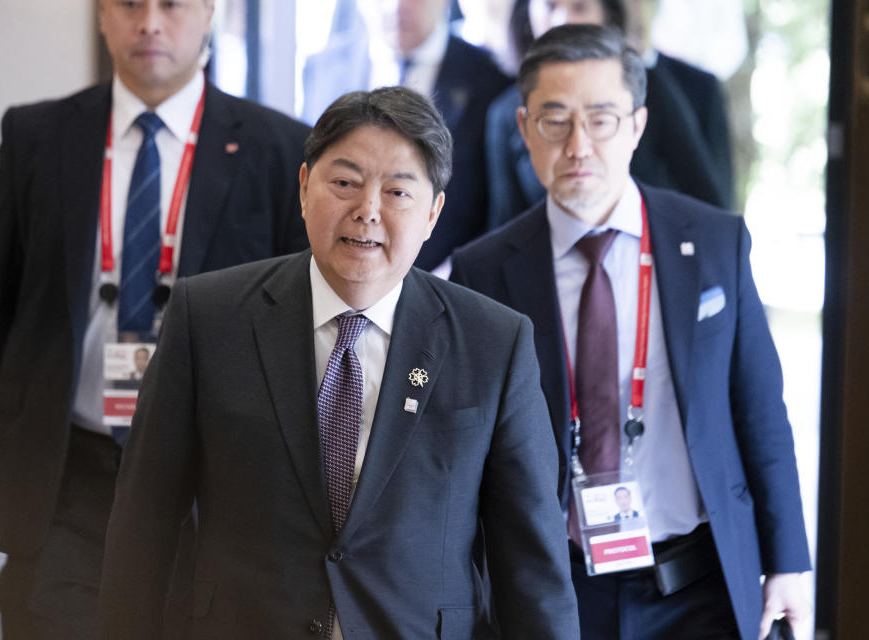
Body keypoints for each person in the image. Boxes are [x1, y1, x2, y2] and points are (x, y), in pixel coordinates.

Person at [99, 86, 579, 639]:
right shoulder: (207, 318)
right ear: (304, 188)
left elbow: (532, 566)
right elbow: (143, 526)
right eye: (345, 182)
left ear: (433, 213)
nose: (367, 211)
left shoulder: (495, 342)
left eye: (398, 191)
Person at [0, 1, 310, 637]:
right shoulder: (38, 135)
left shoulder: (280, 147)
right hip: (67, 469)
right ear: (102, 16)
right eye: (130, 3)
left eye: (173, 5)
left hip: (213, 477)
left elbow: (297, 328)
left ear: (210, 14)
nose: (151, 23)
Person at [451, 24, 811, 640]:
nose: (579, 145)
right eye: (555, 120)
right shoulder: (484, 270)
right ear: (523, 129)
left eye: (602, 119)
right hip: (556, 592)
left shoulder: (715, 243)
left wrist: (790, 561)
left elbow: (760, 413)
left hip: (699, 584)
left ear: (638, 126)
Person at [485, 0, 732, 231]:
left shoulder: (648, 90)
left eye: (579, 7)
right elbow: (504, 226)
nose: (561, 21)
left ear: (607, 16)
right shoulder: (504, 114)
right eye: (550, 6)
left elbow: (709, 200)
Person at [301, 0, 511, 271]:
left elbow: (497, 210)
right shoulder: (323, 69)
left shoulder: (491, 82)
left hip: (450, 282)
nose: (397, 7)